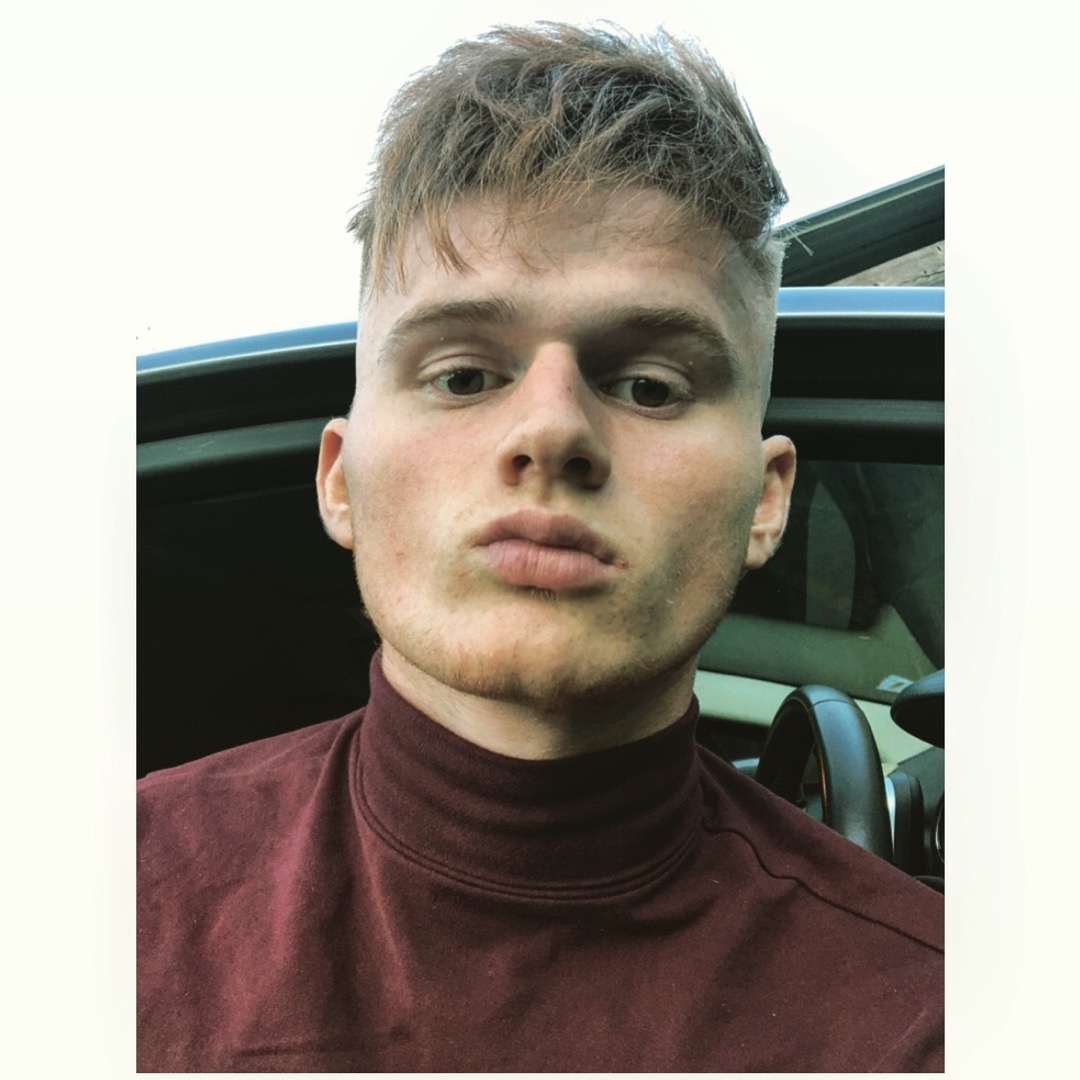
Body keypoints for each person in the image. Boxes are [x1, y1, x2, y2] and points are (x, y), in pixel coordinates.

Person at [137, 22, 944, 1072]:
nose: (552, 429)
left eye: (650, 386)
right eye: (464, 376)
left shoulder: (935, 1019)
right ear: (339, 478)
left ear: (765, 501)